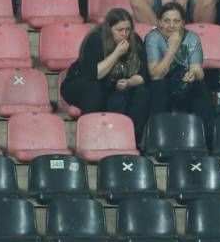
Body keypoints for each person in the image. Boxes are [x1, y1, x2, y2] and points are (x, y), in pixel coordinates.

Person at [61, 9, 152, 146]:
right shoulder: (96, 39)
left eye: (127, 29)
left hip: (111, 86)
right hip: (80, 84)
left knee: (142, 91)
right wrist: (116, 53)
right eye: (119, 30)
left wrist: (129, 82)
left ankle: (132, 139)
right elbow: (95, 74)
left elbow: (143, 75)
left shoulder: (135, 40)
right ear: (109, 28)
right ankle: (89, 138)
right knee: (94, 88)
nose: (124, 34)